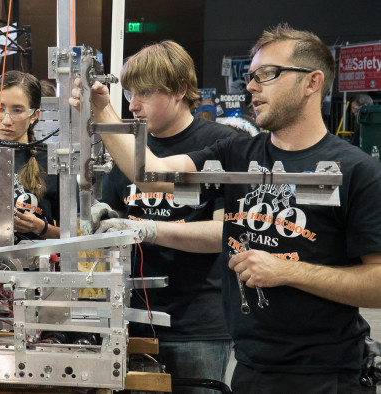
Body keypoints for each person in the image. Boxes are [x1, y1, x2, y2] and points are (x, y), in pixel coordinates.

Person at [70, 23, 381, 393]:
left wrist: (288, 271)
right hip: (251, 367)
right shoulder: (236, 155)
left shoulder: (357, 170)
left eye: (267, 74)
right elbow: (151, 175)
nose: (251, 86)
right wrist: (102, 110)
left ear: (312, 82)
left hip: (325, 374)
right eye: (251, 76)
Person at [88, 41, 234, 391]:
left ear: (181, 89)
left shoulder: (222, 143)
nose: (133, 105)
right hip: (133, 317)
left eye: (145, 93)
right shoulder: (130, 146)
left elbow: (224, 234)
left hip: (196, 324)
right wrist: (108, 216)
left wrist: (149, 229)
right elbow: (122, 211)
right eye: (128, 93)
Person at [0, 70, 60, 241]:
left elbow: (77, 234)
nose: (6, 120)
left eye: (17, 110)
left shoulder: (52, 160)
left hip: (37, 263)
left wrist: (42, 228)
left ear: (34, 115)